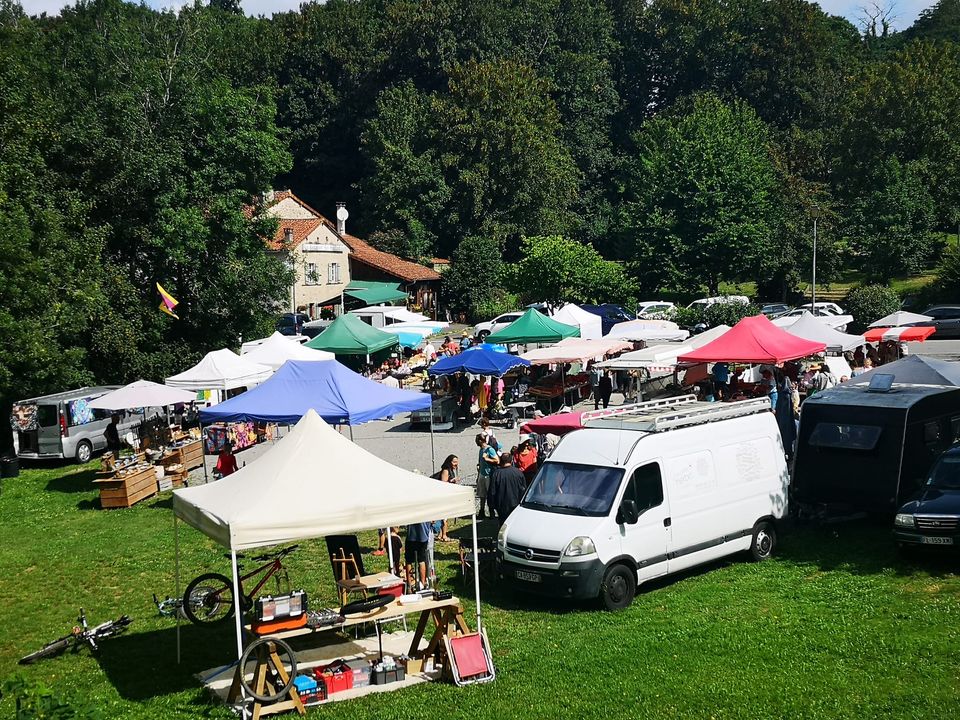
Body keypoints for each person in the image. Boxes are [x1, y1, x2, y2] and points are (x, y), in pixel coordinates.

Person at [488, 453, 527, 527]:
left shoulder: (496, 474)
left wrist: (491, 505)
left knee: (503, 524)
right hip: (516, 503)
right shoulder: (518, 473)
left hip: (501, 504)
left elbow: (492, 491)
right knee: (515, 524)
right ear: (511, 460)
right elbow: (523, 489)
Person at [436, 455, 460, 541]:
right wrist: (452, 481)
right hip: (443, 497)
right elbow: (443, 484)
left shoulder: (451, 470)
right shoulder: (446, 471)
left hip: (446, 496)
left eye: (457, 462)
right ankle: (444, 535)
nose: (456, 464)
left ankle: (440, 534)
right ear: (449, 462)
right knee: (444, 516)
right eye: (454, 462)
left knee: (444, 516)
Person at [476, 433, 499, 518]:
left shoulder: (490, 449)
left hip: (489, 475)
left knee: (490, 494)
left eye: (477, 440)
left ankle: (491, 511)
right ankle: (481, 511)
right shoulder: (481, 449)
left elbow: (497, 460)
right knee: (482, 494)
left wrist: (487, 459)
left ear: (480, 440)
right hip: (482, 474)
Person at [405, 521, 431, 591]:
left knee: (409, 560)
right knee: (421, 560)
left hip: (411, 535)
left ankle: (409, 585)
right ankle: (422, 583)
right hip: (423, 536)